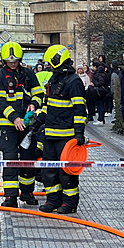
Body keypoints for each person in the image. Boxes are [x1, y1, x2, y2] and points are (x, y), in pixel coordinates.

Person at [34, 45, 87, 214]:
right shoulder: (53, 80)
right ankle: (53, 201)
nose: (48, 66)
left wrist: (79, 132)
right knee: (49, 171)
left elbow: (80, 110)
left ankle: (69, 203)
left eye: (50, 63)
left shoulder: (74, 82)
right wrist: (36, 122)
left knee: (66, 173)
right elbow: (46, 105)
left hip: (66, 136)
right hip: (50, 134)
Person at [0, 42, 45, 207]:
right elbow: (0, 102)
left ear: (20, 59)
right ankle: (10, 197)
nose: (12, 63)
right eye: (9, 61)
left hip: (27, 125)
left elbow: (38, 93)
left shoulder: (28, 74)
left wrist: (34, 104)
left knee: (28, 160)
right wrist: (14, 118)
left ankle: (27, 193)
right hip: (9, 126)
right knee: (10, 160)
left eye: (15, 61)